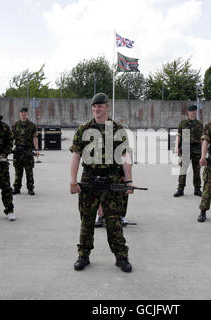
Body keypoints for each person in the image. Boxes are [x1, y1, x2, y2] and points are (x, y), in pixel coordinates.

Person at [69, 93, 135, 273]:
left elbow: (125, 156)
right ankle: (83, 255)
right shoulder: (83, 129)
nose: (96, 109)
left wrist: (128, 180)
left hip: (111, 179)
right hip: (89, 179)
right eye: (94, 106)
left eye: (100, 106)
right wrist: (73, 181)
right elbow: (75, 156)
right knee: (87, 221)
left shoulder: (117, 129)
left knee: (114, 222)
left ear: (107, 107)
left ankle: (121, 257)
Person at [173, 105, 203, 197]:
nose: (193, 112)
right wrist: (176, 147)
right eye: (191, 111)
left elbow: (202, 138)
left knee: (197, 170)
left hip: (197, 149)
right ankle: (180, 189)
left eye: (195, 111)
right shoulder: (183, 123)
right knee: (183, 170)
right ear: (188, 112)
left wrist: (203, 151)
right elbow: (179, 135)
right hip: (185, 148)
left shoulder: (200, 124)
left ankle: (197, 189)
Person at [11, 106, 39, 195]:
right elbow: (11, 138)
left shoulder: (32, 126)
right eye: (22, 112)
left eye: (25, 112)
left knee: (29, 171)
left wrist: (37, 149)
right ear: (19, 113)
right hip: (18, 151)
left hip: (28, 151)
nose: (23, 114)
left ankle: (30, 188)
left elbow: (35, 138)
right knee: (18, 171)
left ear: (27, 114)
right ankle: (16, 188)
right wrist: (8, 148)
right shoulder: (15, 125)